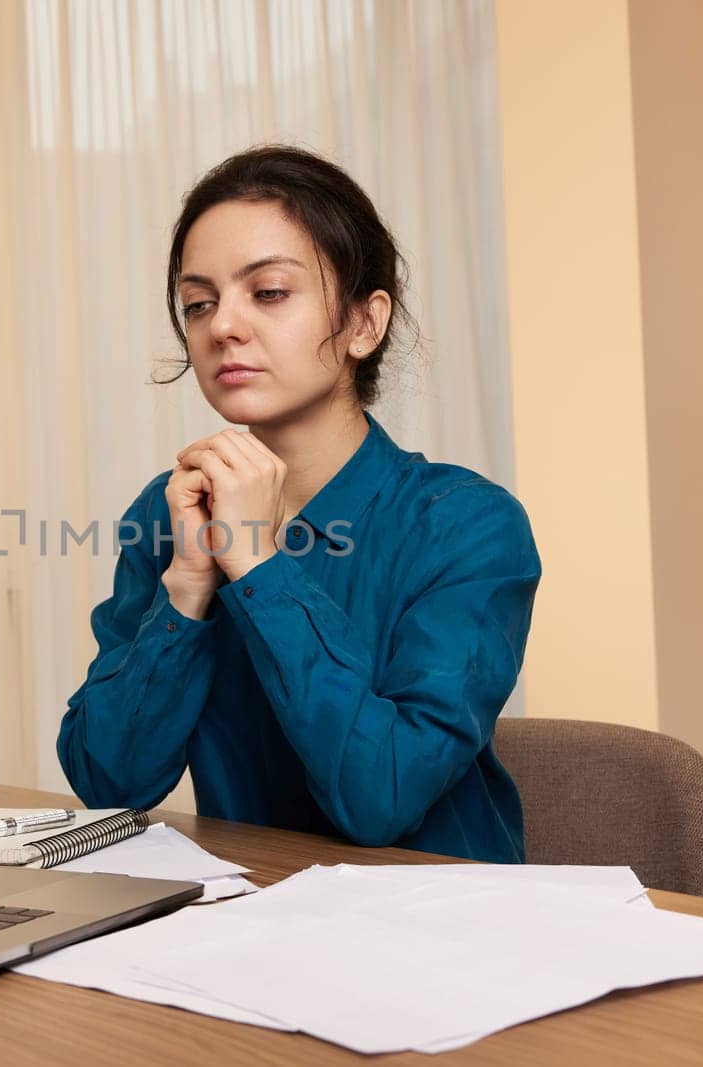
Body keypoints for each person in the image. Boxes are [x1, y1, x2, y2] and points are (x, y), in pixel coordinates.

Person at [56, 145, 542, 862]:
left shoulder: (467, 525)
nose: (223, 326)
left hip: (438, 932)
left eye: (270, 292)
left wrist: (256, 562)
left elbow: (382, 795)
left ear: (363, 324)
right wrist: (189, 586)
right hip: (251, 926)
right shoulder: (169, 517)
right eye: (199, 303)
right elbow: (109, 781)